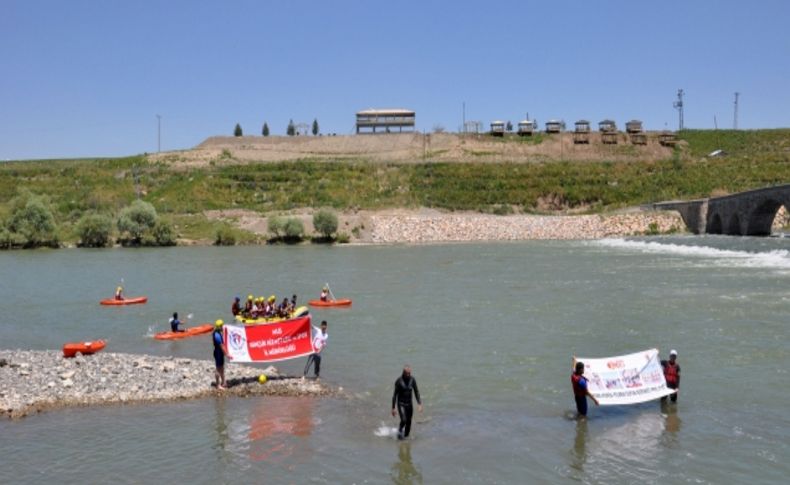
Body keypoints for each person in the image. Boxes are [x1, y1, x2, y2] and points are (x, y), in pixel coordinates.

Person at [391, 365, 423, 440]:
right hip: (401, 403)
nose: (408, 375)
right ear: (403, 372)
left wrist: (419, 404)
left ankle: (405, 439)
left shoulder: (412, 380)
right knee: (403, 420)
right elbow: (394, 395)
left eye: (409, 373)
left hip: (409, 404)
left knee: (409, 422)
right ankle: (399, 431)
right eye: (407, 373)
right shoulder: (399, 381)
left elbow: (416, 392)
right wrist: (393, 408)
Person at [213, 319, 231, 390]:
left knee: (222, 367)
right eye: (222, 325)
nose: (223, 326)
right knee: (218, 368)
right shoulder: (217, 335)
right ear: (219, 326)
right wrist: (227, 354)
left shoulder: (218, 332)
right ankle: (218, 385)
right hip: (218, 352)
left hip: (220, 352)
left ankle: (224, 382)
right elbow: (222, 346)